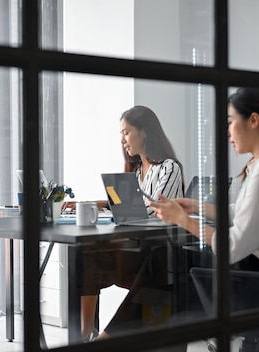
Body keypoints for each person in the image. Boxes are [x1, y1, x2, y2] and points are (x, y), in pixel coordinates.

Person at [97, 87, 259, 339]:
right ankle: (118, 339)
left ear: (254, 120)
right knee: (164, 268)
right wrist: (197, 207)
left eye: (230, 123)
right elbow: (244, 214)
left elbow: (231, 247)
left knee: (164, 268)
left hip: (254, 287)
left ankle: (110, 339)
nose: (228, 132)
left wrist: (182, 219)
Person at [80, 105, 184, 341]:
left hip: (159, 254)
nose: (123, 140)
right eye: (121, 135)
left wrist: (111, 207)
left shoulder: (169, 168)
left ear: (144, 131)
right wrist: (99, 204)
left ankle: (102, 338)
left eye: (126, 133)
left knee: (93, 255)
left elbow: (153, 210)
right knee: (85, 252)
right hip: (136, 249)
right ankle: (86, 332)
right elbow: (131, 211)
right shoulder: (136, 172)